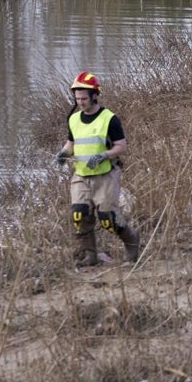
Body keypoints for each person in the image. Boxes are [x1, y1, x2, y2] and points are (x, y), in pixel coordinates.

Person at [55, 72, 141, 268]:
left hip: (106, 175)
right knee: (79, 214)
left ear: (95, 95)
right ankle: (90, 255)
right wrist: (63, 154)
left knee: (107, 219)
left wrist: (104, 155)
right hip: (81, 175)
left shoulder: (109, 119)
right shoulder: (74, 119)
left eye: (84, 98)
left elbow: (122, 146)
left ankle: (131, 239)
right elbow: (71, 144)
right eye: (77, 98)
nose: (81, 102)